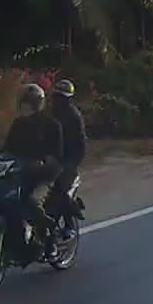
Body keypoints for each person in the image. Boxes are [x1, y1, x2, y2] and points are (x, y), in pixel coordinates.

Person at [0, 84, 63, 255]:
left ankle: (50, 236)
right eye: (23, 103)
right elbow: (7, 149)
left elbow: (55, 155)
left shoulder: (52, 125)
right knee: (0, 198)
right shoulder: (18, 123)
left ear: (37, 104)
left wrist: (43, 162)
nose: (25, 107)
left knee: (32, 202)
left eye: (29, 103)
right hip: (21, 172)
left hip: (45, 175)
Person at [48, 78, 85, 238]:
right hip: (49, 158)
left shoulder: (74, 116)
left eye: (62, 97)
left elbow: (81, 145)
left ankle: (69, 223)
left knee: (61, 190)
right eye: (57, 96)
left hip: (68, 160)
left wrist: (70, 164)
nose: (58, 100)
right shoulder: (48, 113)